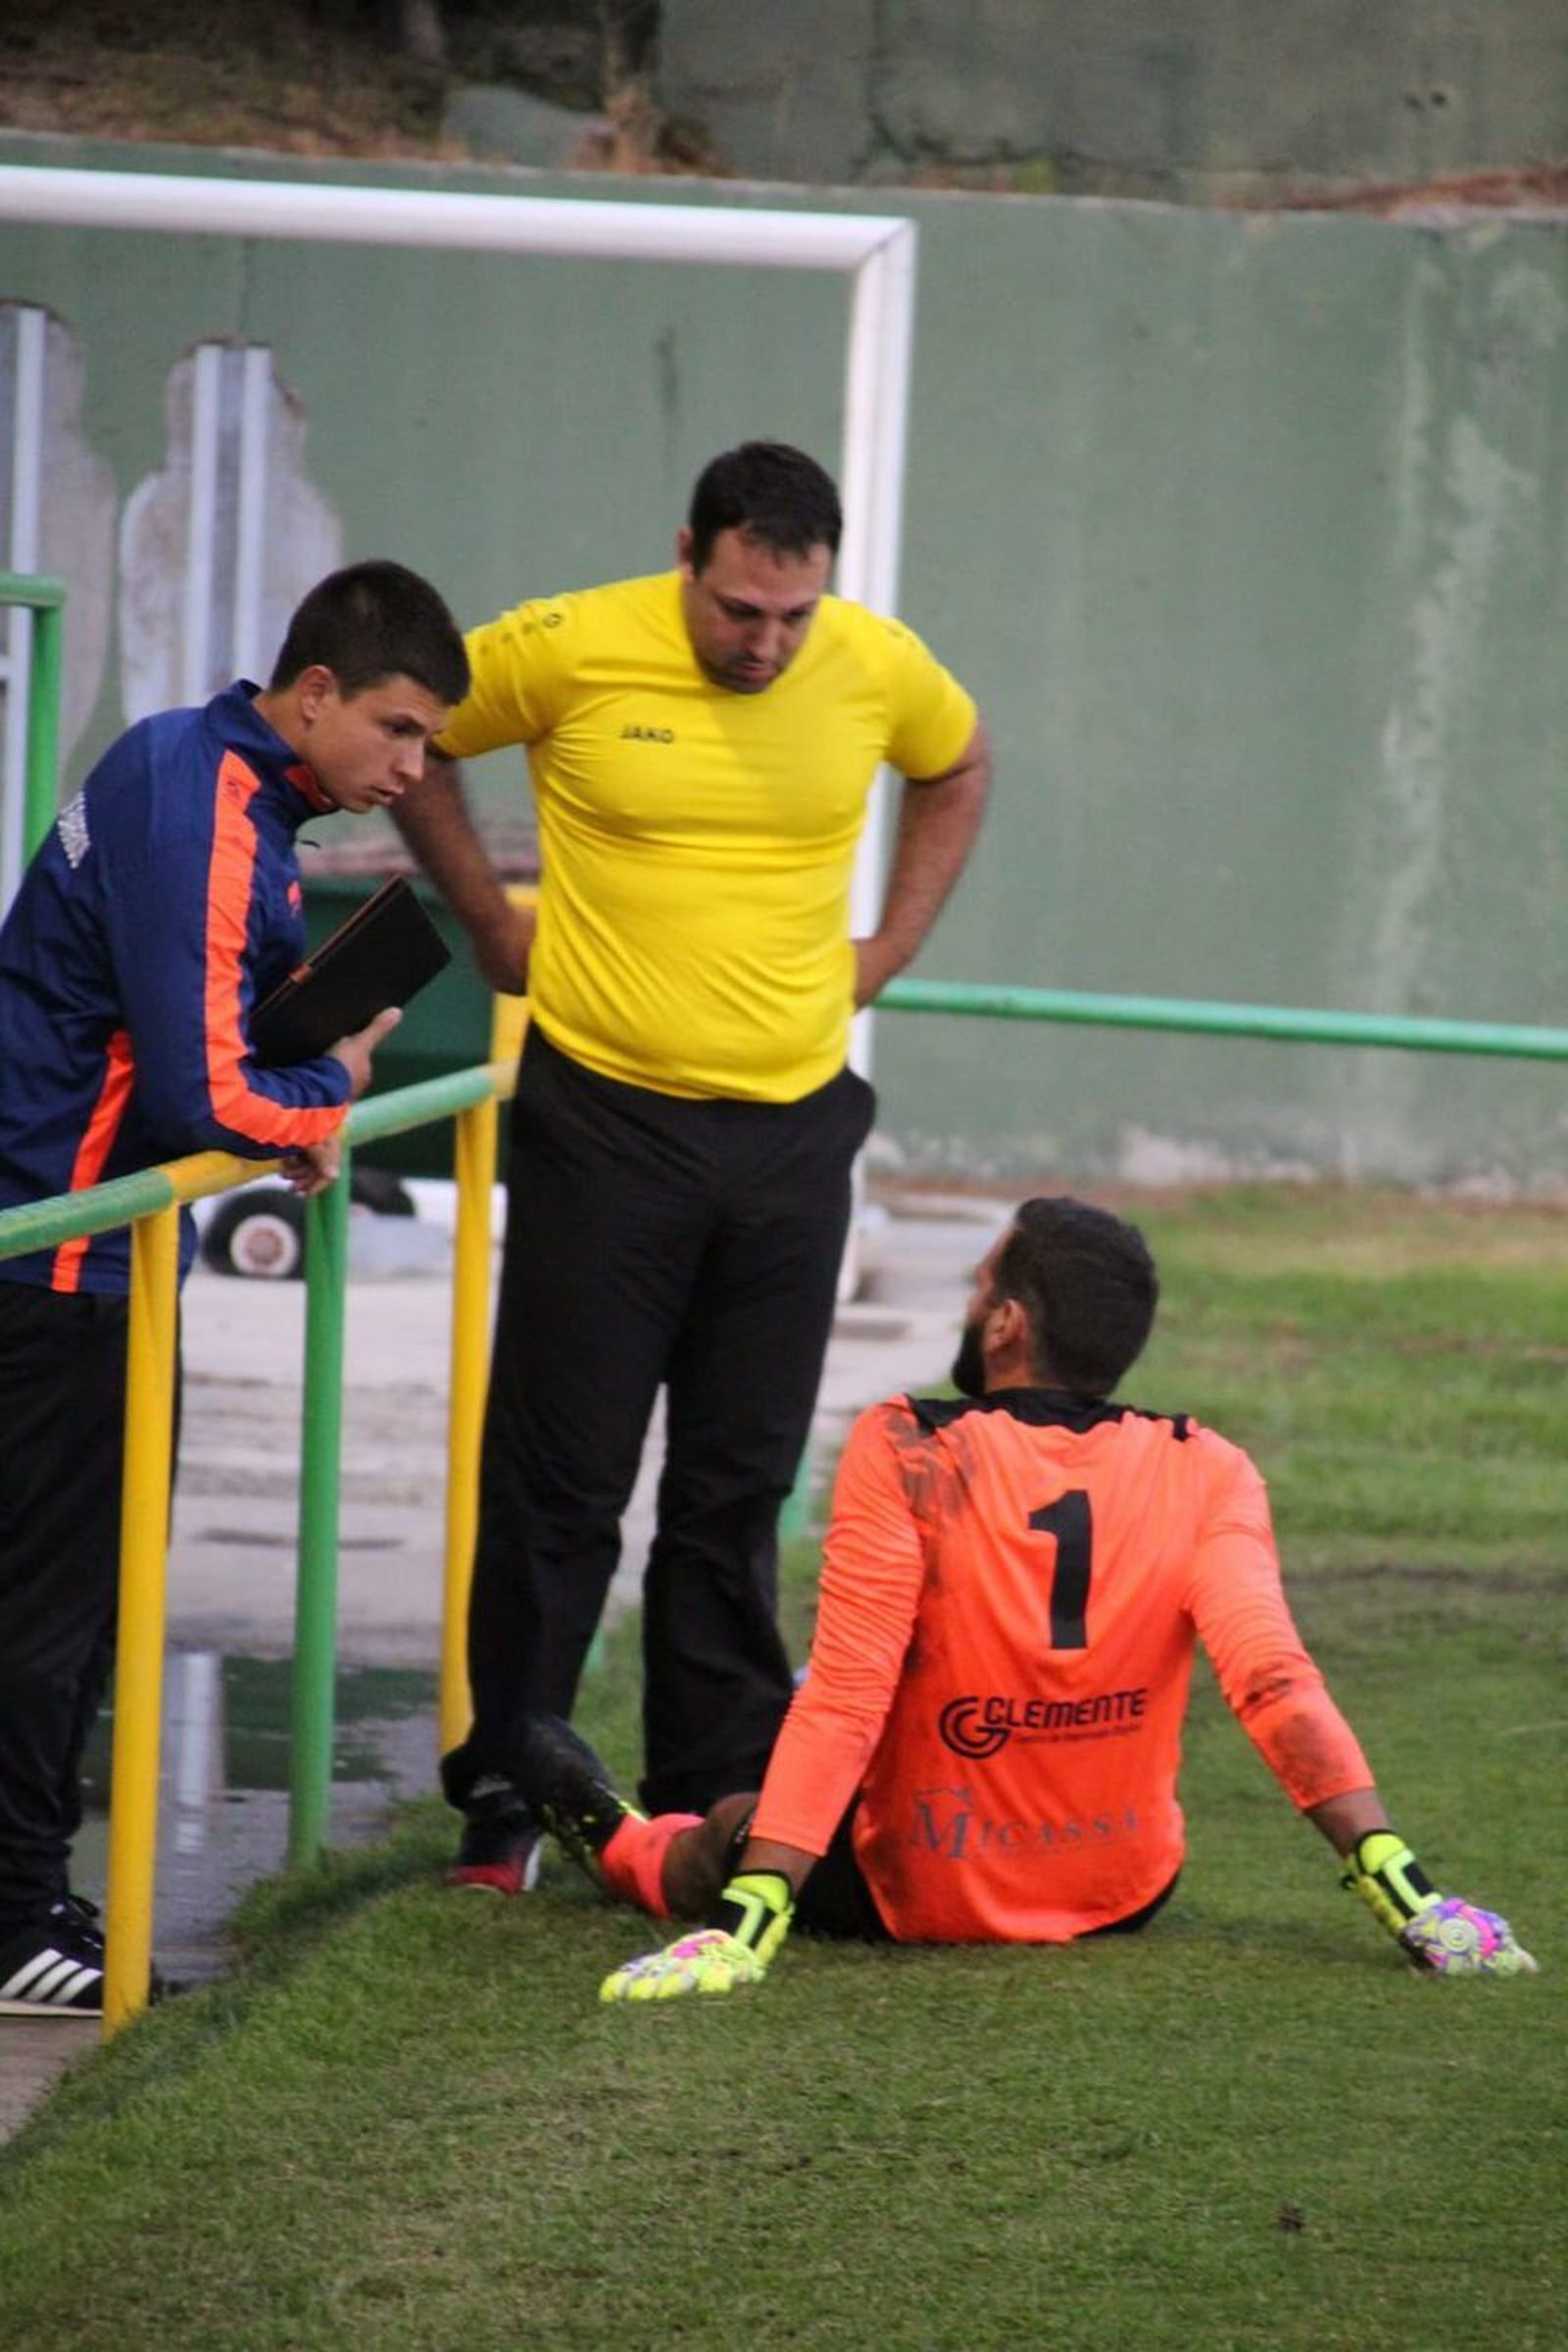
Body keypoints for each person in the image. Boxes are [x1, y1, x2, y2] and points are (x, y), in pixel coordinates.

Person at [392, 440, 991, 1888]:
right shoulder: (570, 643)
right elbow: (412, 738)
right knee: (563, 1475)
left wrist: (890, 950)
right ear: (688, 555)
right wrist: (488, 917)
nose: (766, 643)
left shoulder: (876, 664)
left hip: (792, 1132)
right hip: (606, 1122)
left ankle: (715, 1793)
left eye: (791, 616)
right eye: (738, 611)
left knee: (735, 1483)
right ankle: (510, 1795)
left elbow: (958, 763)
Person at [499, 1196, 1537, 2000]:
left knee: (735, 1813)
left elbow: (852, 1692)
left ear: (1004, 1323)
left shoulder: (910, 1445)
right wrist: (1413, 1898)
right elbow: (1272, 1681)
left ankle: (623, 1840)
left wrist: (750, 1913)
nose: (967, 1298)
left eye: (979, 1280)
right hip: (1117, 1891)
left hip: (915, 1888)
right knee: (804, 1717)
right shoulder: (1208, 1466)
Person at [0, 560, 469, 2017]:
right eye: (396, 730)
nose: (411, 767)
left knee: (82, 1602)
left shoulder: (215, 777)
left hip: (85, 1244)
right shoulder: (208, 799)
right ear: (314, 694)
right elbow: (211, 1088)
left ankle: (31, 1897)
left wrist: (295, 1075)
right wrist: (323, 1097)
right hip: (59, 1250)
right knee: (51, 1608)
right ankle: (15, 1921)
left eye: (429, 745)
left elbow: (203, 1039)